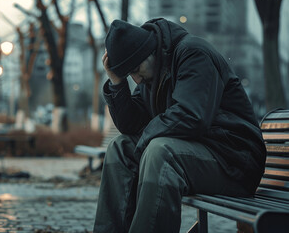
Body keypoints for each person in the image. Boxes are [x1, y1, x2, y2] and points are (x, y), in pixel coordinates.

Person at [93, 18, 266, 233]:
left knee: (160, 153)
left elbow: (191, 116)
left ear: (149, 51)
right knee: (120, 148)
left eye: (136, 69)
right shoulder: (150, 75)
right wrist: (117, 83)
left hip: (234, 160)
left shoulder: (193, 53)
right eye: (130, 74)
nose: (136, 79)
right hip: (200, 154)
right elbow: (131, 125)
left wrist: (146, 143)